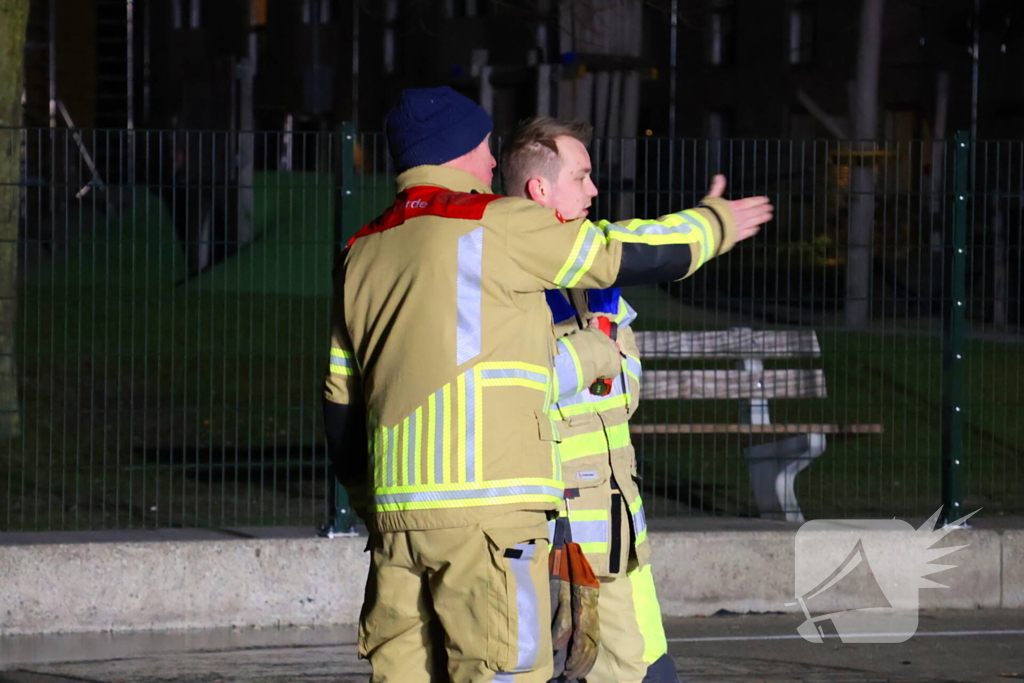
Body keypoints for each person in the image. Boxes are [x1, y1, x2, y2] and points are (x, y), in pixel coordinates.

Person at [323, 86, 772, 683]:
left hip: (399, 519)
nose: (491, 163)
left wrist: (370, 503)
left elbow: (340, 400)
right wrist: (712, 225)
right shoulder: (495, 223)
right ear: (457, 151)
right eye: (484, 149)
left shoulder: (361, 250)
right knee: (505, 670)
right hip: (490, 512)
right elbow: (617, 253)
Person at [501, 116, 682, 683]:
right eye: (581, 177)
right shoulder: (511, 282)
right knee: (612, 670)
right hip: (569, 535)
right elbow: (523, 388)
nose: (594, 190)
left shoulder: (596, 275)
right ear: (540, 190)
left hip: (621, 522)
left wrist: (595, 361)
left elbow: (626, 393)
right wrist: (595, 355)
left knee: (654, 669)